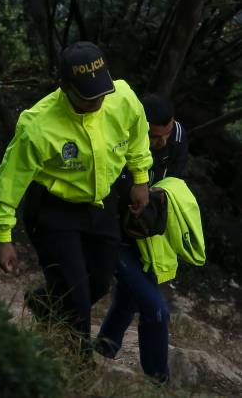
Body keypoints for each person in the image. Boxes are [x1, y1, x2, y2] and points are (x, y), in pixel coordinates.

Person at [0, 41, 153, 353]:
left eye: (102, 92)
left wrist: (140, 178)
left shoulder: (122, 97)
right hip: (53, 212)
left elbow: (137, 133)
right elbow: (7, 183)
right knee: (76, 295)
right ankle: (77, 365)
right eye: (88, 96)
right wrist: (2, 236)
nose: (98, 100)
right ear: (65, 87)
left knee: (99, 282)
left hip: (100, 205)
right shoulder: (37, 125)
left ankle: (45, 302)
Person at [95, 95, 190, 383]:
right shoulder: (121, 136)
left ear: (172, 125)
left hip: (145, 236)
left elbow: (177, 181)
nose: (157, 143)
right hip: (109, 232)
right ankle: (158, 381)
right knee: (156, 310)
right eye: (151, 136)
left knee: (128, 300)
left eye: (162, 136)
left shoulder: (178, 137)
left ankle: (103, 349)